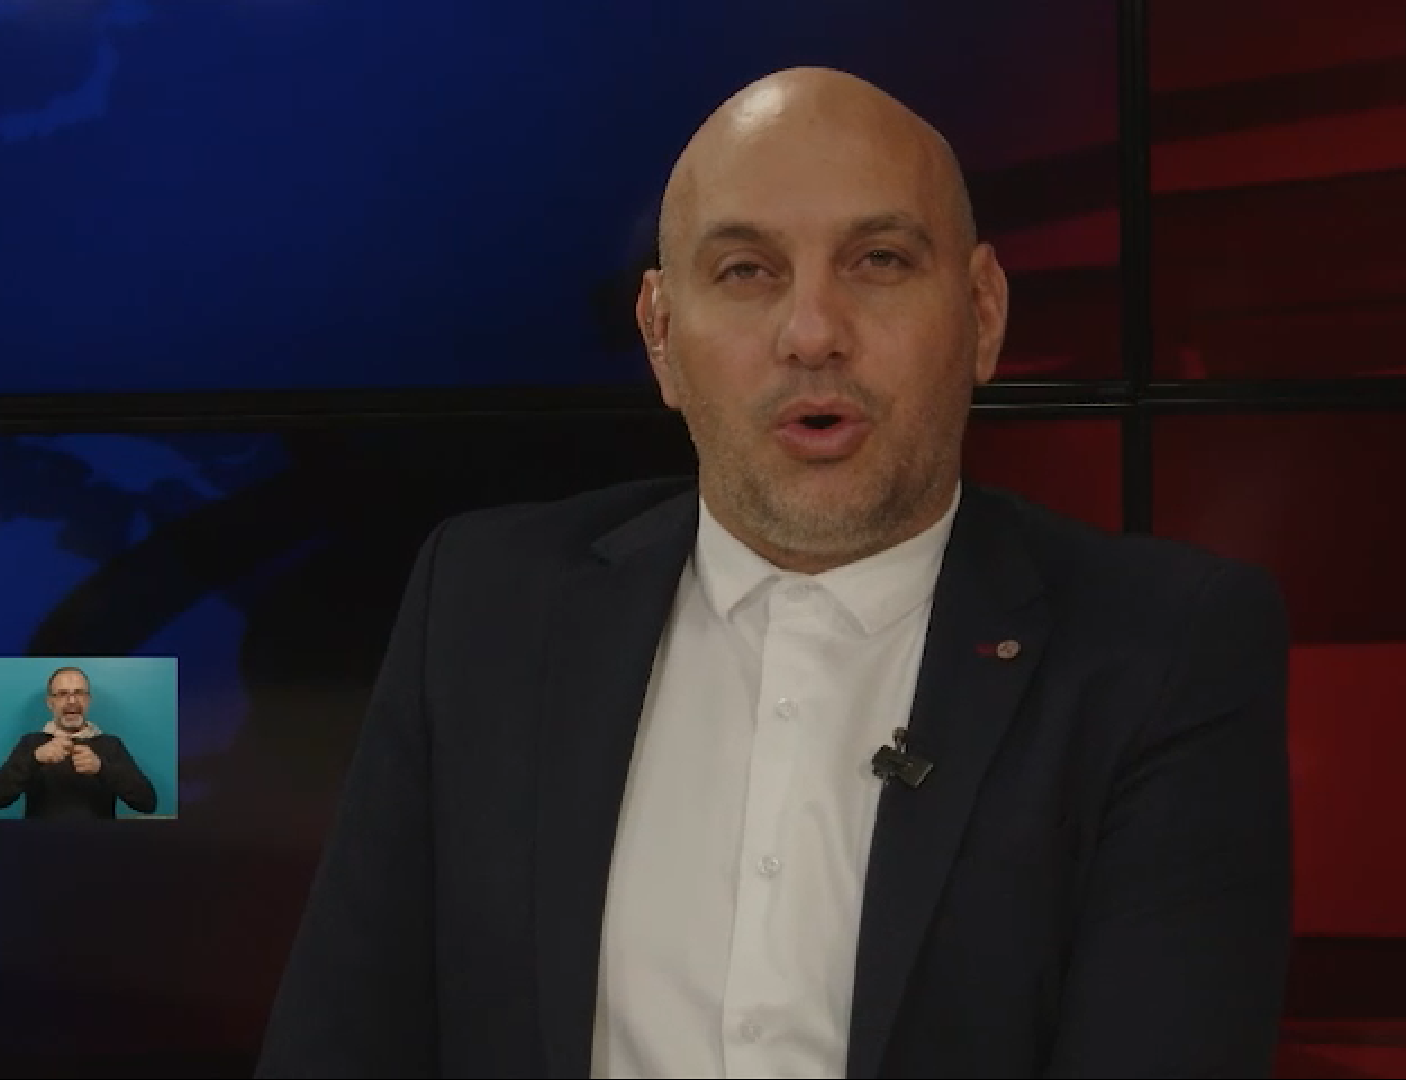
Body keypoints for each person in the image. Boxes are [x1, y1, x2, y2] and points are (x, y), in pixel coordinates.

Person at [257, 67, 1292, 1078]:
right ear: (661, 335)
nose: (812, 335)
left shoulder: (1164, 654)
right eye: (747, 271)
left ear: (981, 313)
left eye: (879, 260)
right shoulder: (482, 605)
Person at [0, 666, 157, 820]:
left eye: (79, 693)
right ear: (50, 703)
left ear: (88, 700)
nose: (72, 701)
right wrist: (34, 759)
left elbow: (147, 803)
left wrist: (102, 768)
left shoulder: (111, 745)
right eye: (62, 694)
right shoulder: (31, 743)